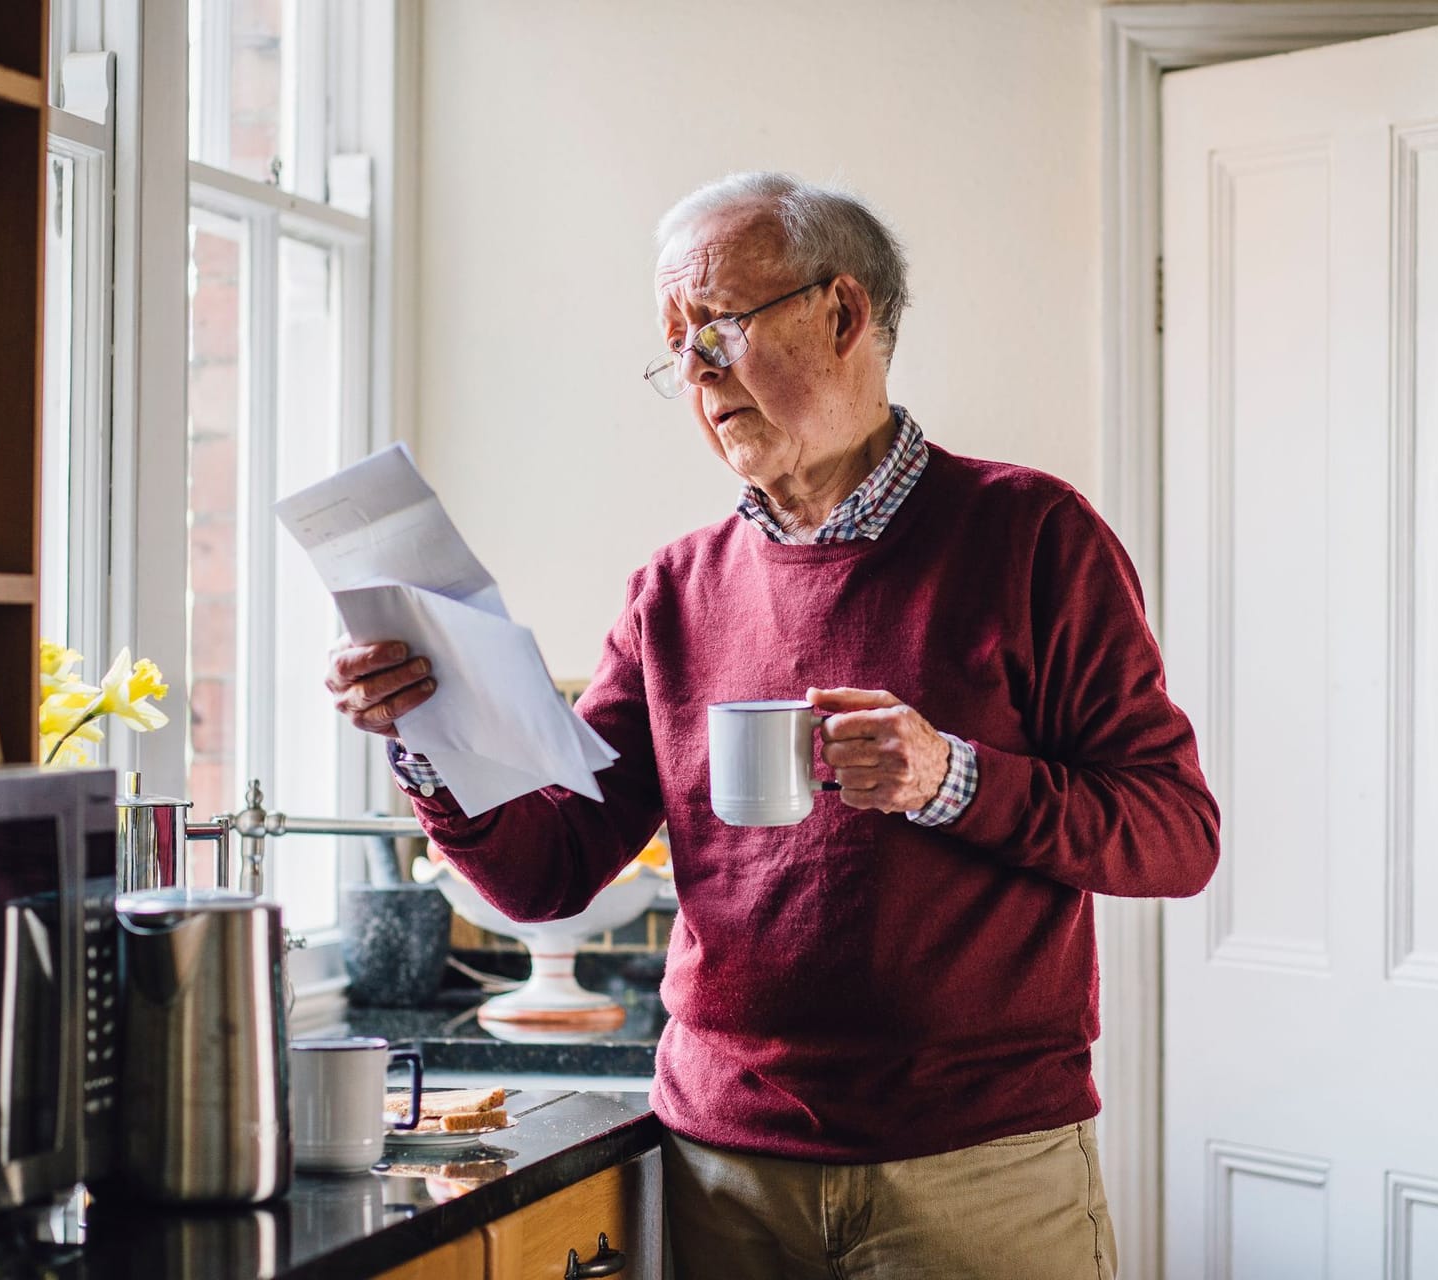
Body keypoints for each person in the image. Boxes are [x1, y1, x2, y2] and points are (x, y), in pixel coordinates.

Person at [325, 171, 1219, 1280]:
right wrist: (428, 735)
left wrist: (952, 776)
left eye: (719, 327)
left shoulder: (1034, 535)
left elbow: (1177, 833)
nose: (695, 372)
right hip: (721, 1172)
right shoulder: (673, 589)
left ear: (842, 313)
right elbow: (548, 872)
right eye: (678, 347)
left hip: (978, 1172)